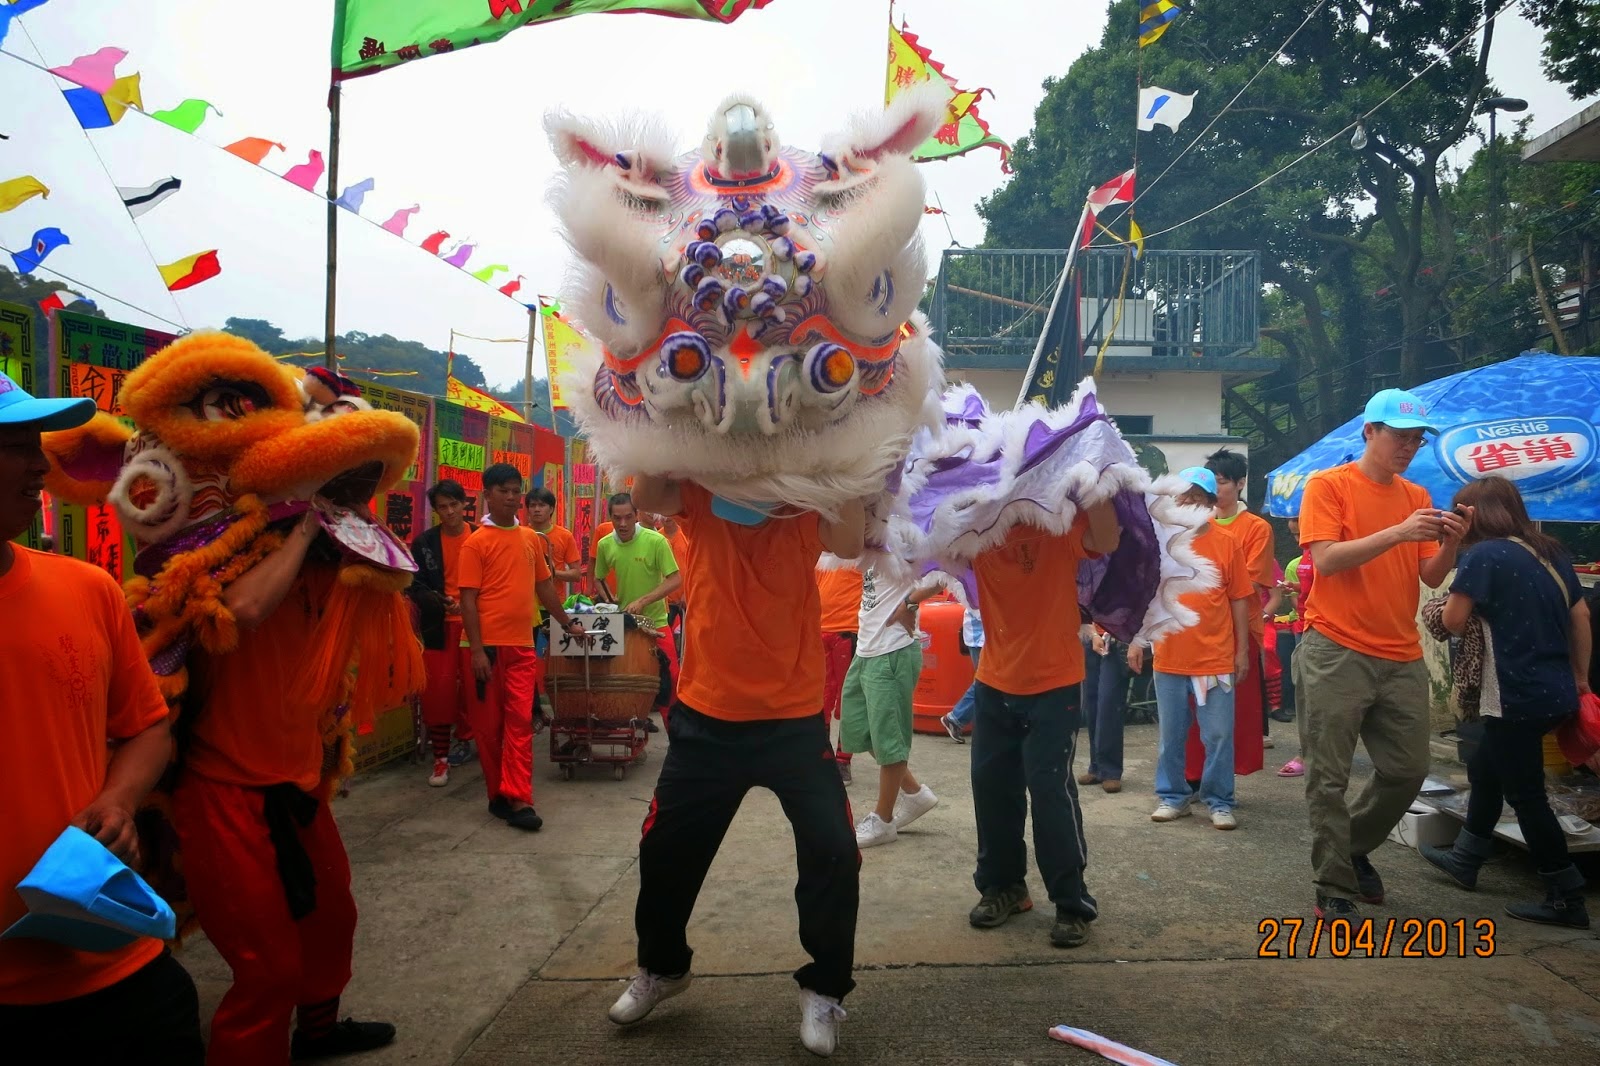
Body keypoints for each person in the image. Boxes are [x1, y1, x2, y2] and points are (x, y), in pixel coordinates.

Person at [606, 478, 865, 1058]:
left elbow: (850, 539)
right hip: (708, 717)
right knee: (665, 850)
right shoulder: (700, 493)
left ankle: (825, 986)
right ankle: (663, 968)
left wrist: (845, 453)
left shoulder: (804, 502)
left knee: (834, 850)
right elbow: (649, 487)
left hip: (793, 721)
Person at [0, 376, 204, 1065]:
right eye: (13, 445)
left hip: (115, 957)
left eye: (37, 444)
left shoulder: (85, 590)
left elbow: (147, 724)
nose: (39, 465)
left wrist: (118, 800)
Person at [1295, 388, 1468, 920]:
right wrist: (1398, 531)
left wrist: (1453, 543)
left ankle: (1350, 847)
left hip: (1400, 653)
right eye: (1400, 435)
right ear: (1369, 432)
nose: (1409, 446)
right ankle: (1335, 885)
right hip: (1335, 648)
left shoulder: (1416, 496)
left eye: (1416, 439)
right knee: (1328, 775)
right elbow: (1326, 561)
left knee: (1407, 770)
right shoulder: (1328, 485)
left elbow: (1429, 575)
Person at [1419, 476, 1591, 929]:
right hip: (1554, 690)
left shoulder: (1482, 555)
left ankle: (1565, 894)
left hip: (1511, 694)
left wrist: (1437, 606)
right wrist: (1579, 678)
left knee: (1527, 795)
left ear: (1472, 513)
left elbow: (1453, 622)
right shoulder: (1550, 551)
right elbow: (1581, 615)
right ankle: (1466, 857)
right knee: (1485, 766)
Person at [966, 502, 1121, 950]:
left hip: (1054, 682)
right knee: (991, 787)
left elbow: (1106, 539)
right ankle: (1004, 888)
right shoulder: (973, 526)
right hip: (993, 680)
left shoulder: (1057, 521)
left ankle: (1072, 902)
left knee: (1050, 790)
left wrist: (1098, 482)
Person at [459, 464, 589, 833]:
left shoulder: (531, 539)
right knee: (488, 729)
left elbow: (545, 589)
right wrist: (478, 651)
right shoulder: (475, 542)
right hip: (486, 649)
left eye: (517, 490)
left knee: (518, 723)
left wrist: (568, 624)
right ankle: (498, 796)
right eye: (505, 491)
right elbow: (468, 601)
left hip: (521, 644)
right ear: (488, 494)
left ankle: (518, 797)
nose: (513, 498)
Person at [1129, 468, 1253, 830]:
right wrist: (1137, 641)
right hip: (1169, 654)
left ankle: (1220, 801)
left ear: (1211, 503)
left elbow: (1239, 600)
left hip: (1215, 658)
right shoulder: (1159, 542)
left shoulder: (1227, 542)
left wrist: (1241, 650)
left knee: (1218, 735)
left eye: (1197, 496)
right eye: (1182, 496)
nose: (1187, 502)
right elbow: (1146, 596)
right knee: (1171, 736)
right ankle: (1173, 797)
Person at [841, 566, 941, 847]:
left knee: (889, 739)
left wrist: (911, 602)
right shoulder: (874, 532)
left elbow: (944, 573)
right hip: (867, 648)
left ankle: (883, 821)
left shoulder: (906, 529)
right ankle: (914, 794)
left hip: (892, 651)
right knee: (861, 730)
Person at [1195, 449, 1279, 768]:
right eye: (1210, 483)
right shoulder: (1197, 525)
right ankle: (1194, 776)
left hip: (1237, 629)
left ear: (1240, 483)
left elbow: (1250, 587)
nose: (1216, 490)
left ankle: (1222, 783)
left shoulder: (1256, 528)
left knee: (1233, 714)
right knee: (1195, 711)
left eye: (1222, 482)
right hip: (1199, 631)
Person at [594, 492, 682, 728]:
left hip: (656, 623)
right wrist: (608, 598)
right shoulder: (605, 544)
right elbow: (598, 577)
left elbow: (675, 579)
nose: (623, 524)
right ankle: (632, 725)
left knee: (670, 679)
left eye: (628, 517)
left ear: (636, 515)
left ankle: (675, 734)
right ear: (610, 517)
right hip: (625, 624)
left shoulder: (656, 541)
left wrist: (644, 600)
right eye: (617, 518)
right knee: (626, 681)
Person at [408, 479, 476, 787]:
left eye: (454, 505)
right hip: (439, 626)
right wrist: (441, 601)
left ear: (465, 504)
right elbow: (414, 584)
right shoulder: (423, 544)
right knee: (438, 691)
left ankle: (471, 742)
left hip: (478, 625)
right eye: (442, 507)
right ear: (435, 511)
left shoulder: (482, 538)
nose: (449, 512)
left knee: (477, 688)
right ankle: (440, 759)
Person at [817, 560, 865, 781]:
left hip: (848, 630)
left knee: (848, 696)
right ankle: (822, 755)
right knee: (821, 697)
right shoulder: (821, 550)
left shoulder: (857, 551)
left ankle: (843, 760)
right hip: (820, 630)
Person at [1078, 624, 1132, 793]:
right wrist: (1093, 635)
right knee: (1092, 704)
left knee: (1109, 704)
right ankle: (1096, 767)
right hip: (1089, 638)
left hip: (1116, 639)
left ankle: (1111, 770)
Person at [939, 607, 984, 743]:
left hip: (980, 634)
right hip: (981, 635)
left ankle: (956, 718)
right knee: (986, 682)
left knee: (986, 682)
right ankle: (956, 718)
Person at [526, 487, 582, 595]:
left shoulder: (565, 536)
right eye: (532, 505)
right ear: (528, 509)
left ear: (551, 509)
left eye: (542, 505)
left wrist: (553, 573)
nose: (537, 509)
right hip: (527, 603)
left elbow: (576, 574)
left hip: (555, 602)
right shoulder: (521, 534)